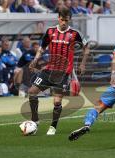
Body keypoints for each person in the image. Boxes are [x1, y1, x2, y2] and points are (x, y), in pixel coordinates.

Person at [28, 7, 89, 135]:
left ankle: (53, 126)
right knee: (32, 92)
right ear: (58, 18)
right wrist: (35, 60)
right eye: (62, 20)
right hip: (48, 70)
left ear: (69, 19)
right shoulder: (50, 32)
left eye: (66, 20)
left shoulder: (75, 33)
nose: (64, 23)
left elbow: (86, 48)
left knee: (57, 101)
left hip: (63, 72)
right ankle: (35, 120)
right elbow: (42, 47)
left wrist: (82, 64)